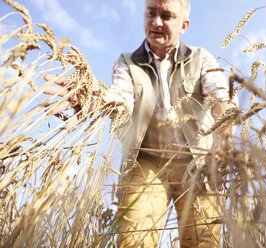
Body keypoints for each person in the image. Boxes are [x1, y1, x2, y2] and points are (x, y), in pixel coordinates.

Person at [44, 0, 237, 247]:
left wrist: (224, 136)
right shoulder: (126, 63)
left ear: (184, 25)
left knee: (203, 242)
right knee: (134, 238)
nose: (156, 22)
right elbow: (120, 97)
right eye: (151, 13)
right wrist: (97, 97)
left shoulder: (201, 58)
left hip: (198, 161)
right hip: (147, 163)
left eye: (166, 15)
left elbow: (222, 98)